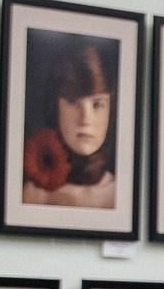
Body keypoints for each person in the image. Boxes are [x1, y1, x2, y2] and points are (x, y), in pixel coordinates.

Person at [21, 36, 118, 210]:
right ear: (55, 106)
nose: (86, 119)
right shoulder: (31, 194)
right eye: (73, 102)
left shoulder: (121, 195)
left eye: (97, 105)